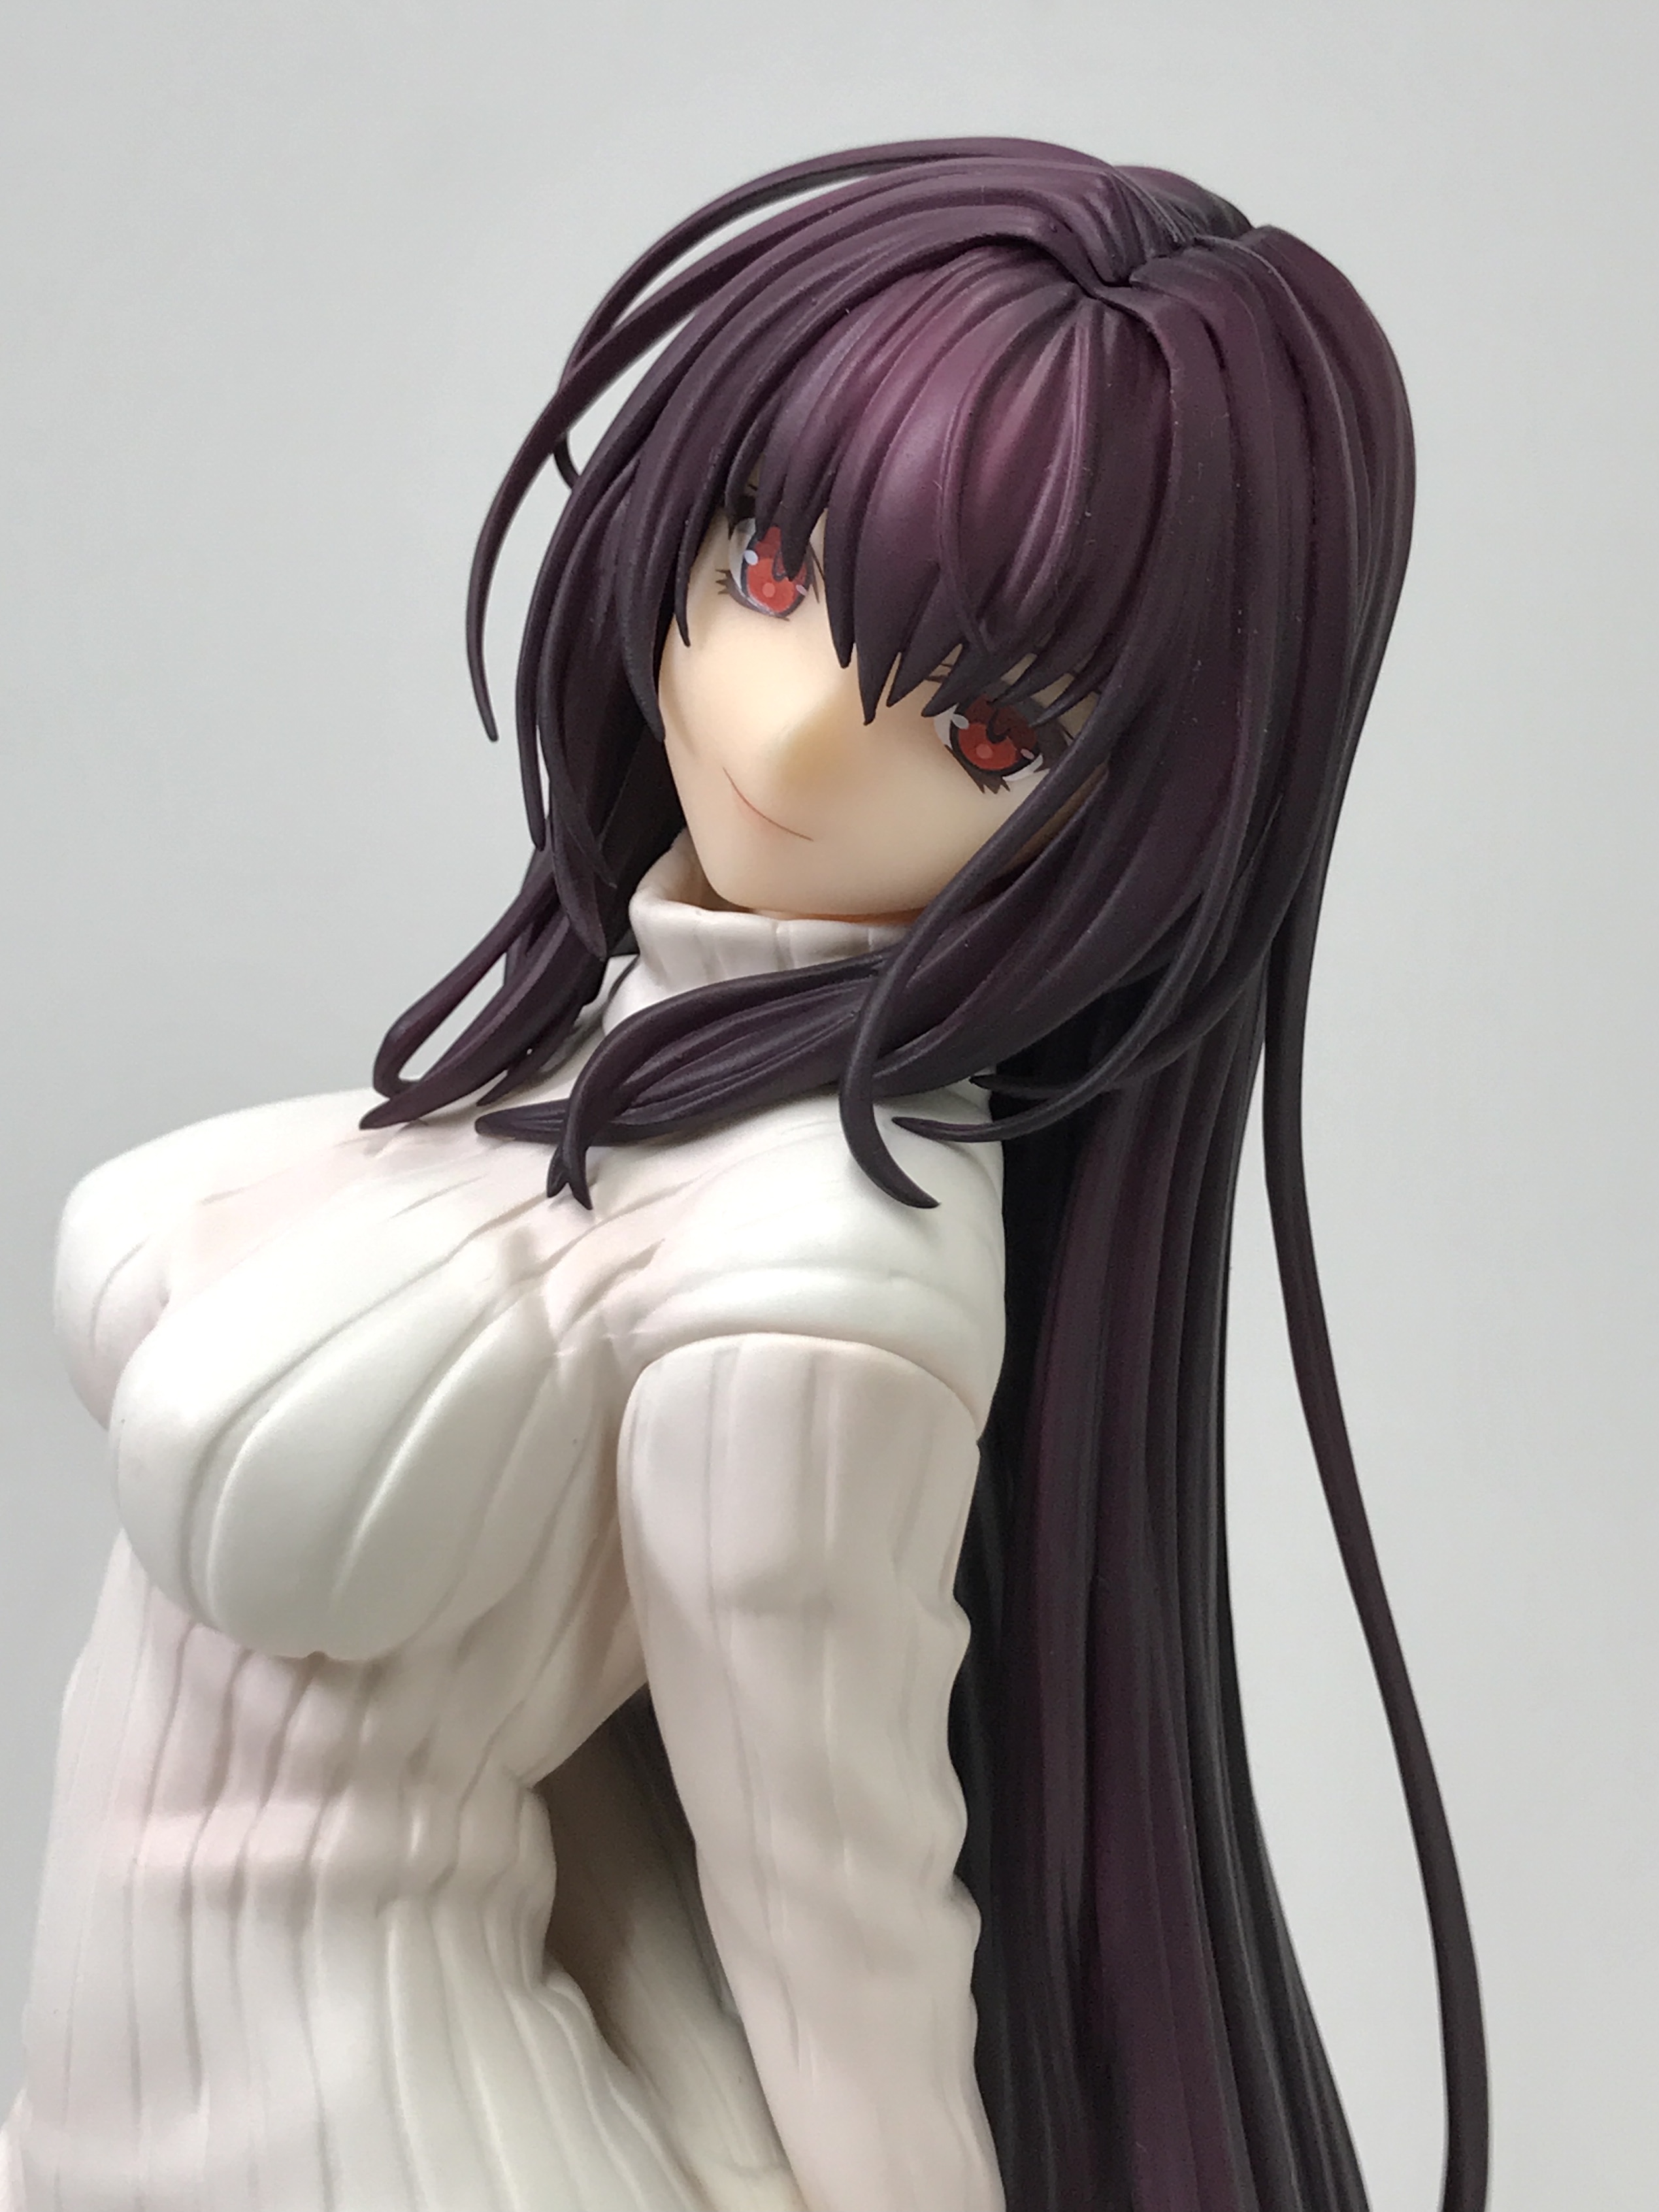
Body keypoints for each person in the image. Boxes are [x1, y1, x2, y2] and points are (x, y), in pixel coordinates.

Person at [1, 139, 1487, 2212]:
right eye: (773, 577)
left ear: (1159, 813)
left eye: (986, 734)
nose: (788, 743)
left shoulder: (822, 1268)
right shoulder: (612, 1056)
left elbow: (837, 1904)